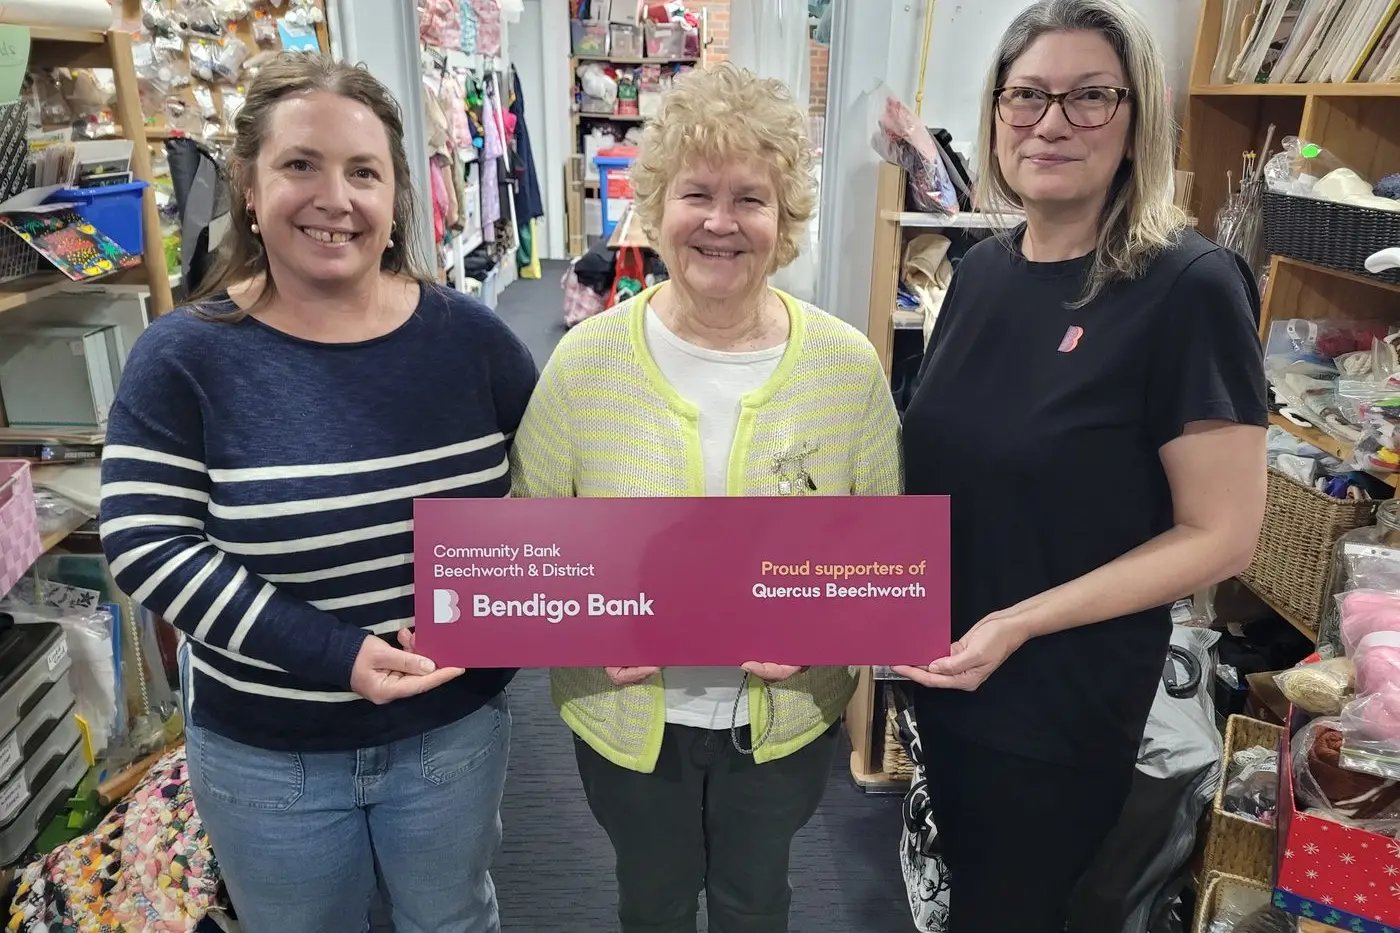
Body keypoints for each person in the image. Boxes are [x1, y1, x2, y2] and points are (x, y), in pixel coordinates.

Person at [98, 53, 536, 933]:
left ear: (396, 196)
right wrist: (333, 653)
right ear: (249, 189)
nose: (334, 198)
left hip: (451, 728)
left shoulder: (471, 342)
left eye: (363, 172)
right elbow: (147, 542)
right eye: (301, 164)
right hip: (269, 750)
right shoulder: (186, 356)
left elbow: (554, 493)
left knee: (452, 919)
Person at [892, 1, 1268, 930]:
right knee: (971, 892)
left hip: (1059, 704)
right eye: (1026, 96)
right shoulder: (981, 272)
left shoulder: (1187, 286)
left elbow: (1222, 534)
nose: (1050, 123)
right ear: (993, 115)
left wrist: (1018, 623)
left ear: (1138, 119)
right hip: (947, 676)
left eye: (1090, 97)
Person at [509, 63, 902, 933]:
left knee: (755, 900)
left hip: (785, 719)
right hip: (627, 716)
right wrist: (581, 625)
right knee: (650, 900)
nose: (721, 222)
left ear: (785, 217)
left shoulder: (845, 368)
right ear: (657, 206)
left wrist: (823, 631)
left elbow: (880, 552)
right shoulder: (586, 362)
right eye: (697, 193)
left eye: (750, 199)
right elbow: (525, 538)